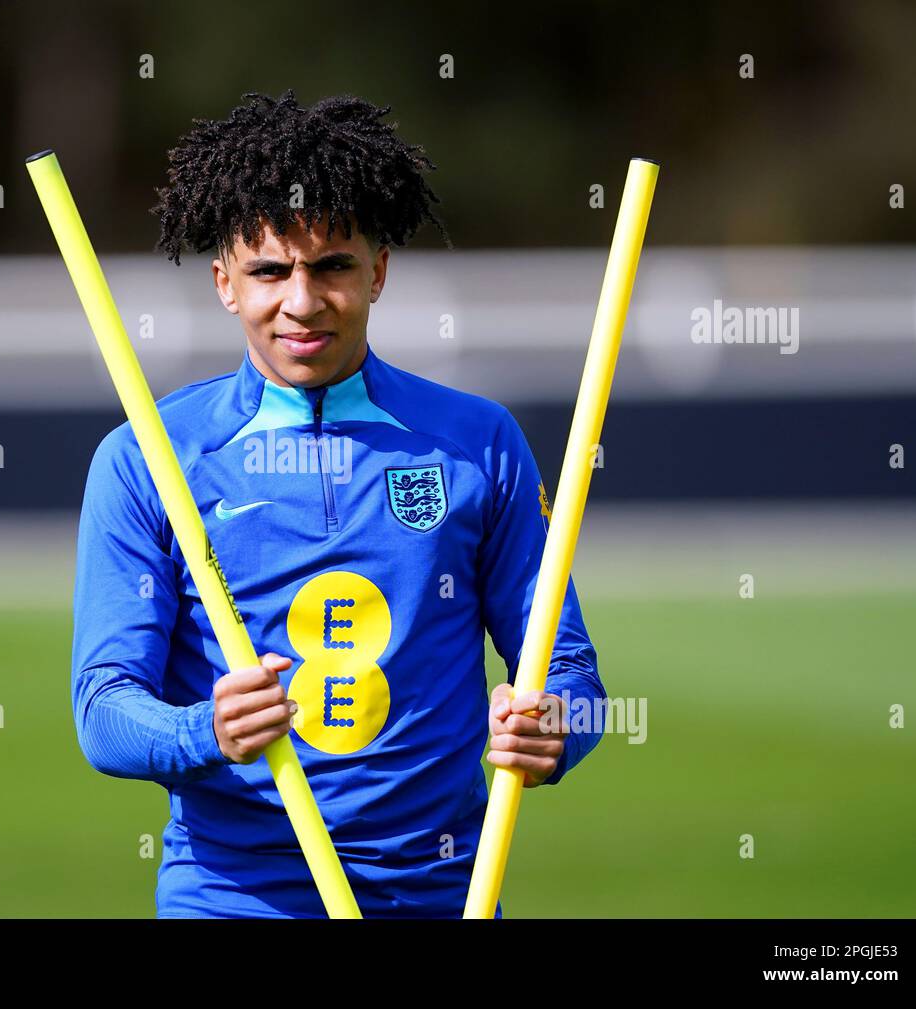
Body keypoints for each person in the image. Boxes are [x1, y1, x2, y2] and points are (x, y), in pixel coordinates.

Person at [71, 89, 605, 918]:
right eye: (269, 271)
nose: (302, 301)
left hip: (440, 892)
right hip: (233, 895)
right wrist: (203, 731)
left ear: (378, 270)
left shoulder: (479, 443)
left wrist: (556, 727)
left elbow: (570, 672)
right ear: (224, 281)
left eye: (332, 267)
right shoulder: (146, 458)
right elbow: (103, 708)